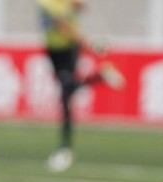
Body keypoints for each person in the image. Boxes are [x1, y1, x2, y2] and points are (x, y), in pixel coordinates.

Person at [38, 0, 125, 172]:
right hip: (54, 49)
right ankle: (100, 76)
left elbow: (74, 14)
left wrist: (87, 42)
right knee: (67, 91)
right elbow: (62, 23)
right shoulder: (47, 3)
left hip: (67, 49)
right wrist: (90, 43)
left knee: (65, 94)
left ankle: (65, 149)